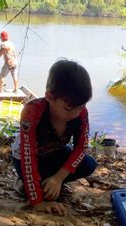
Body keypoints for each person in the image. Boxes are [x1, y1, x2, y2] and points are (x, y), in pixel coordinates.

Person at [11, 59, 97, 216]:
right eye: (69, 108)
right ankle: (34, 186)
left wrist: (58, 178)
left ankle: (49, 183)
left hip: (54, 153)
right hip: (26, 158)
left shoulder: (80, 112)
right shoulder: (32, 111)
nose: (76, 114)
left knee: (89, 164)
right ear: (50, 97)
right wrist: (38, 202)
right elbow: (27, 156)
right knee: (37, 188)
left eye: (81, 107)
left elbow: (81, 147)